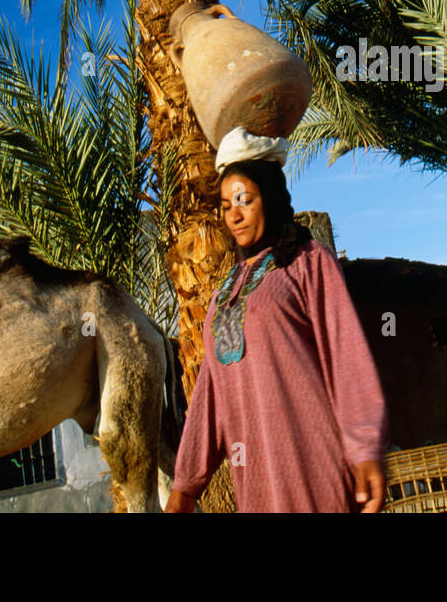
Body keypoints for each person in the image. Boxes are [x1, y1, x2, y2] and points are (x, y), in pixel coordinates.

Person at [164, 128, 389, 513]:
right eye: (225, 205)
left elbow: (345, 353)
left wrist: (365, 446)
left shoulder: (308, 262)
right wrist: (186, 485)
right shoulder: (223, 294)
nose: (233, 215)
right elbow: (209, 395)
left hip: (315, 469)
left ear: (269, 198)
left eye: (244, 200)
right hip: (256, 484)